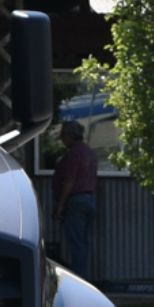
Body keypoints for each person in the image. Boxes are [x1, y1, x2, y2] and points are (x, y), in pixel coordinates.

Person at [53, 119, 100, 279]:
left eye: (63, 135)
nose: (62, 139)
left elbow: (69, 181)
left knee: (76, 244)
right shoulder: (91, 153)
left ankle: (79, 279)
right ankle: (83, 275)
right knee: (83, 243)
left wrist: (60, 204)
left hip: (75, 201)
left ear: (71, 135)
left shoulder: (74, 154)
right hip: (90, 199)